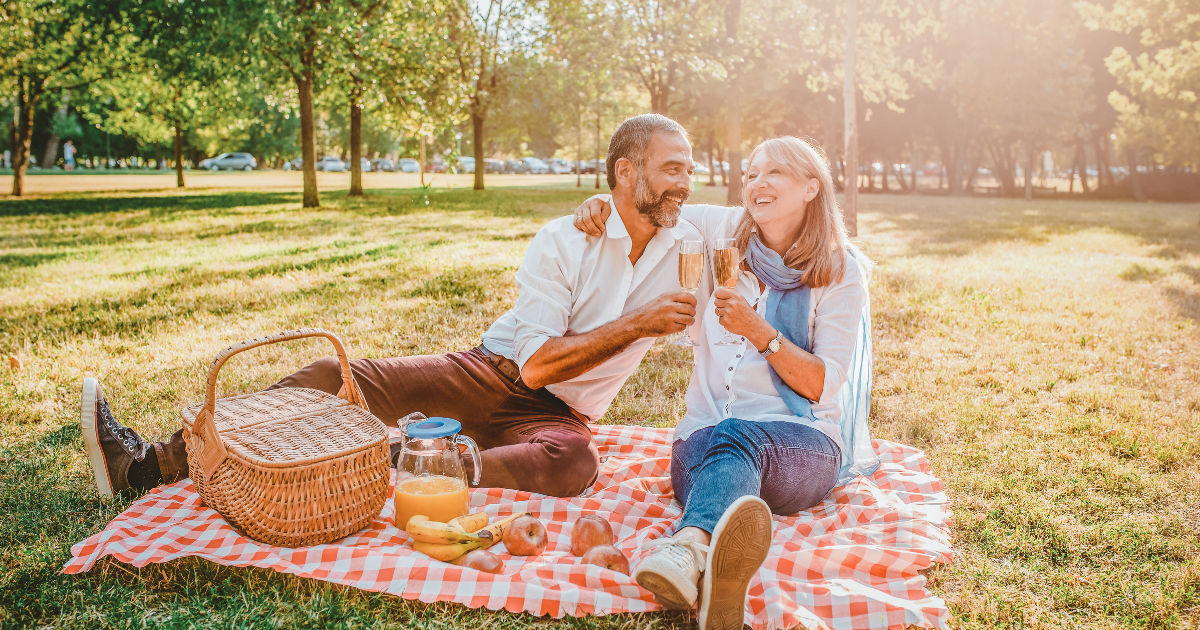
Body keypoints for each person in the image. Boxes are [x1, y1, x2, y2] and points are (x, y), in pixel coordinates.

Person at [80, 113, 704, 500]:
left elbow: (769, 223)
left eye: (690, 169)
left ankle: (404, 463)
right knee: (330, 377)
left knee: (574, 460)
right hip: (489, 374)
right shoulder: (564, 238)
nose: (685, 181)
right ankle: (148, 464)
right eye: (672, 168)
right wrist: (640, 324)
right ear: (625, 172)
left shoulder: (692, 240)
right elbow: (536, 366)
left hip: (558, 417)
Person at [571, 136, 879, 630]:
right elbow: (655, 206)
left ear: (811, 188)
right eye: (751, 173)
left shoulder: (840, 271)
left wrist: (760, 333)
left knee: (738, 433)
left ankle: (689, 544)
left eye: (774, 173)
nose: (757, 183)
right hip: (703, 439)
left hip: (802, 448)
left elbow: (824, 385)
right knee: (726, 438)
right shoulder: (722, 232)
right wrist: (605, 204)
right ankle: (718, 576)